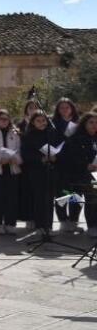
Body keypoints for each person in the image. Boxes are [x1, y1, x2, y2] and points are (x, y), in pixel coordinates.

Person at [56, 110, 97, 239]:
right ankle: (78, 224)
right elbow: (70, 157)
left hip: (93, 175)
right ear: (84, 123)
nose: (94, 125)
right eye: (91, 122)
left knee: (92, 198)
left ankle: (91, 225)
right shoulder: (75, 138)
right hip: (74, 176)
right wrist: (85, 165)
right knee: (76, 199)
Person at [20, 110, 57, 240]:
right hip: (36, 171)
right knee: (39, 199)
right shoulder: (29, 136)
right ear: (33, 122)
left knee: (49, 199)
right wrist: (40, 159)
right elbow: (25, 154)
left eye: (44, 120)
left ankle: (48, 226)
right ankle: (39, 226)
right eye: (38, 121)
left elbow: (59, 149)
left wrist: (55, 157)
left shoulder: (51, 134)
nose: (42, 123)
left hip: (50, 170)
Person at [51, 98, 83, 232]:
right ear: (58, 110)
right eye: (61, 108)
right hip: (61, 164)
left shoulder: (79, 123)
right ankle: (63, 220)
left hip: (77, 165)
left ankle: (74, 220)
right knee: (63, 193)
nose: (64, 110)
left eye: (67, 107)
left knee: (76, 194)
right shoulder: (53, 124)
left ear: (72, 109)